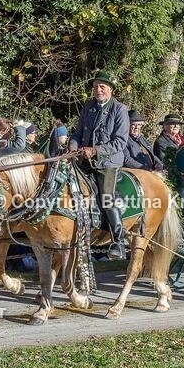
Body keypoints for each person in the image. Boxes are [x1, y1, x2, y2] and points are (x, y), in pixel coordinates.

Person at [68, 70, 130, 259]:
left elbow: (120, 142)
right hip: (84, 160)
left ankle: (118, 241)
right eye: (95, 86)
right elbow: (77, 134)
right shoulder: (88, 107)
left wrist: (95, 151)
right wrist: (72, 147)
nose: (98, 90)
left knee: (107, 198)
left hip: (107, 163)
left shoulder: (119, 110)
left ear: (110, 89)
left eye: (102, 86)